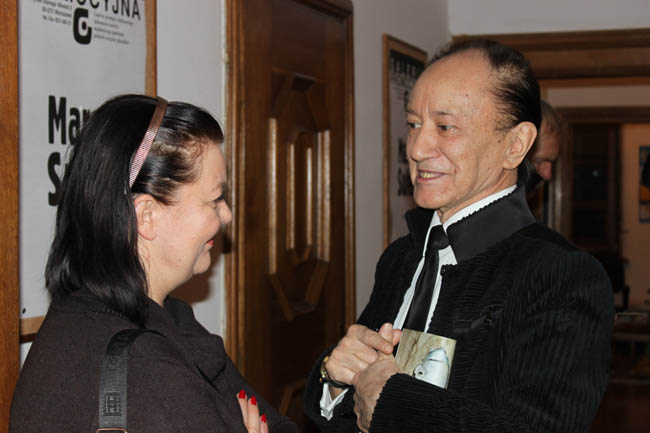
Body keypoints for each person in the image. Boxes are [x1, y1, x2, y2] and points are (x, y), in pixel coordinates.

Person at [304, 40, 613, 433]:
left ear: (515, 145)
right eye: (413, 124)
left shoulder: (562, 276)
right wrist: (334, 381)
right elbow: (358, 404)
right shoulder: (401, 258)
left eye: (445, 127)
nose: (417, 148)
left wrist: (392, 404)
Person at [10, 95, 298, 433]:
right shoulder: (151, 375)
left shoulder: (151, 318)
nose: (226, 214)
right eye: (215, 198)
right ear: (147, 216)